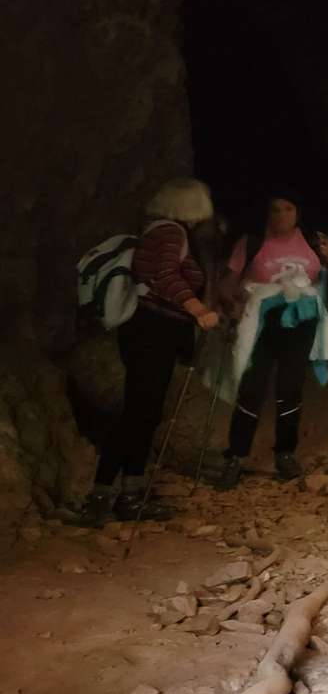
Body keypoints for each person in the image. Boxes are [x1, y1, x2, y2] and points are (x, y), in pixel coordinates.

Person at [80, 178, 221, 525]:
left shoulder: (166, 232)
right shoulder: (170, 233)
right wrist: (197, 309)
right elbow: (163, 275)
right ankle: (102, 495)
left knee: (147, 411)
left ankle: (129, 492)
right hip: (151, 331)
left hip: (155, 332)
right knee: (138, 411)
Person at [215, 192, 328, 487]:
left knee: (290, 387)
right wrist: (231, 304)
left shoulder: (313, 241)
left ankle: (285, 454)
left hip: (300, 323)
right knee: (252, 388)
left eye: (288, 209)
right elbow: (228, 282)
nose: (281, 215)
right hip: (260, 324)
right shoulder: (252, 242)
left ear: (298, 212)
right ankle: (237, 456)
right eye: (275, 209)